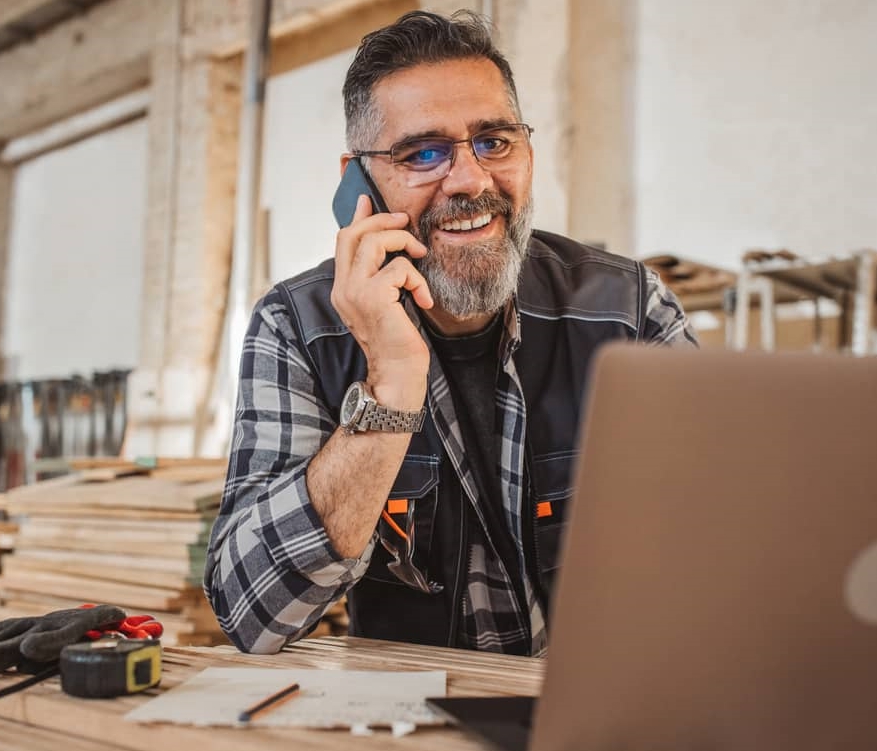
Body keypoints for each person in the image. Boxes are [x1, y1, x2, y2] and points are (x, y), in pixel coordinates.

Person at [203, 10, 696, 656]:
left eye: (494, 141)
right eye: (423, 153)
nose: (470, 180)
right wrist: (390, 385)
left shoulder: (628, 312)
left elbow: (717, 548)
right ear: (358, 183)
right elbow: (251, 611)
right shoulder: (295, 327)